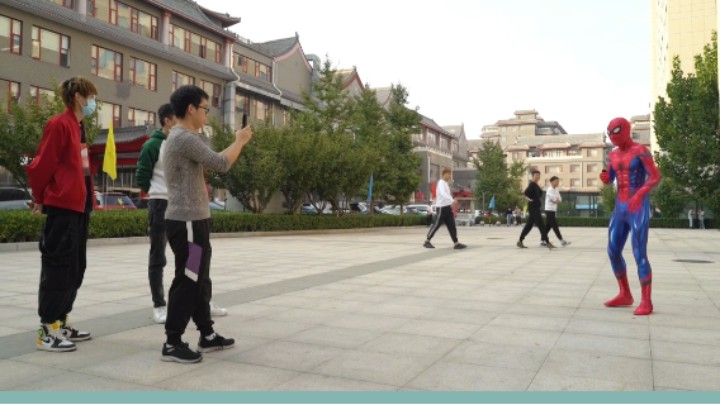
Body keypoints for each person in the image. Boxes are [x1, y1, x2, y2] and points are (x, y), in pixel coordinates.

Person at [161, 85, 253, 363]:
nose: (206, 114)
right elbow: (222, 164)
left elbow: (214, 161)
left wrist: (236, 143)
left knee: (199, 279)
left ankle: (207, 334)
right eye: (204, 108)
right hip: (187, 222)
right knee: (189, 280)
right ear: (191, 109)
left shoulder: (186, 138)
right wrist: (240, 141)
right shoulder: (183, 138)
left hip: (195, 220)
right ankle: (172, 342)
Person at [136, 105, 228, 324]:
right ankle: (159, 305)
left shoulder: (186, 142)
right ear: (168, 121)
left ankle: (202, 301)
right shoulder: (153, 145)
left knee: (197, 255)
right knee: (158, 256)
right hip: (161, 205)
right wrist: (159, 192)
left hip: (186, 207)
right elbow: (142, 177)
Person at [26, 77, 97, 352]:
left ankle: (61, 322)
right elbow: (41, 164)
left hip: (79, 207)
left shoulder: (78, 127)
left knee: (76, 268)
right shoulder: (59, 124)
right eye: (91, 97)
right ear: (78, 96)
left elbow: (83, 170)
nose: (93, 103)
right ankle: (46, 330)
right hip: (63, 207)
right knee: (58, 267)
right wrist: (40, 198)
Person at [600, 117, 661, 315]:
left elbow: (655, 176)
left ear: (626, 130)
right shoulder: (613, 154)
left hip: (637, 206)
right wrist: (605, 177)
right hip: (620, 206)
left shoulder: (640, 151)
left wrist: (640, 195)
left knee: (639, 253)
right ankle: (625, 293)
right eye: (609, 133)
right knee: (613, 251)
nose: (612, 136)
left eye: (615, 132)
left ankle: (646, 301)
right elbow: (610, 179)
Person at [424, 167, 467, 250]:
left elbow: (447, 195)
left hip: (447, 208)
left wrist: (452, 202)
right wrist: (452, 200)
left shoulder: (446, 184)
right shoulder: (441, 183)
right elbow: (443, 194)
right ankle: (427, 241)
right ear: (444, 174)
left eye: (450, 174)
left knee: (452, 226)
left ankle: (456, 243)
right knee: (437, 224)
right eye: (449, 174)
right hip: (441, 208)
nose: (450, 176)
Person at [517, 170, 554, 249]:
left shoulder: (536, 185)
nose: (538, 177)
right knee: (541, 225)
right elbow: (526, 192)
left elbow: (540, 193)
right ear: (533, 176)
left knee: (529, 225)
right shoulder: (532, 184)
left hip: (536, 207)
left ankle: (520, 241)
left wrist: (536, 196)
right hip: (533, 207)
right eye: (536, 175)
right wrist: (530, 199)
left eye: (539, 175)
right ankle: (547, 242)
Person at [544, 176, 570, 246]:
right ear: (552, 182)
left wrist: (557, 200)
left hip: (553, 209)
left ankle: (542, 240)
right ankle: (561, 240)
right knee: (554, 225)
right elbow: (554, 199)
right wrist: (556, 200)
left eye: (558, 181)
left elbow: (560, 199)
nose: (558, 183)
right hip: (549, 209)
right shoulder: (549, 190)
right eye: (556, 181)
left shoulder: (556, 189)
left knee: (548, 226)